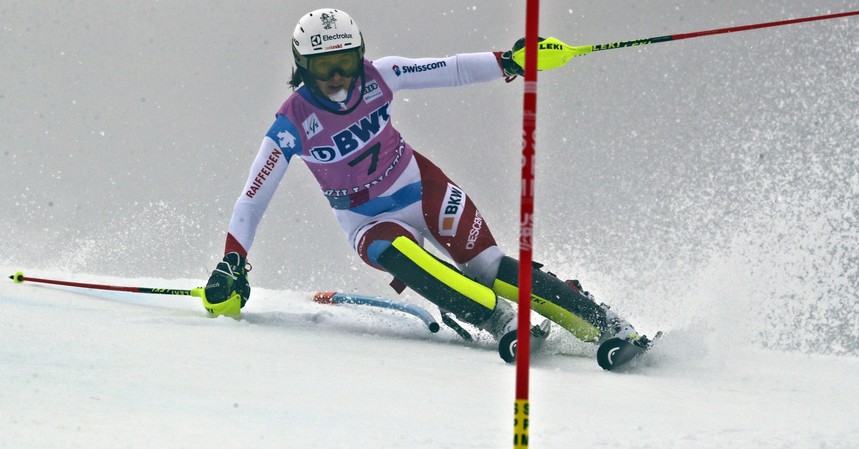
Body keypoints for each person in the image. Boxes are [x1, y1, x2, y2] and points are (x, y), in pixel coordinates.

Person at [203, 8, 648, 362]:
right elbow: (252, 199)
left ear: (360, 54)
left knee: (488, 267)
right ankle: (502, 322)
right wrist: (231, 263)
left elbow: (451, 69)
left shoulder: (383, 75)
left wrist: (510, 61)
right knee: (403, 255)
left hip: (423, 187)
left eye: (345, 61)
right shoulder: (292, 123)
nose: (338, 76)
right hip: (366, 220)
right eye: (323, 67)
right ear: (302, 67)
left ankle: (607, 325)